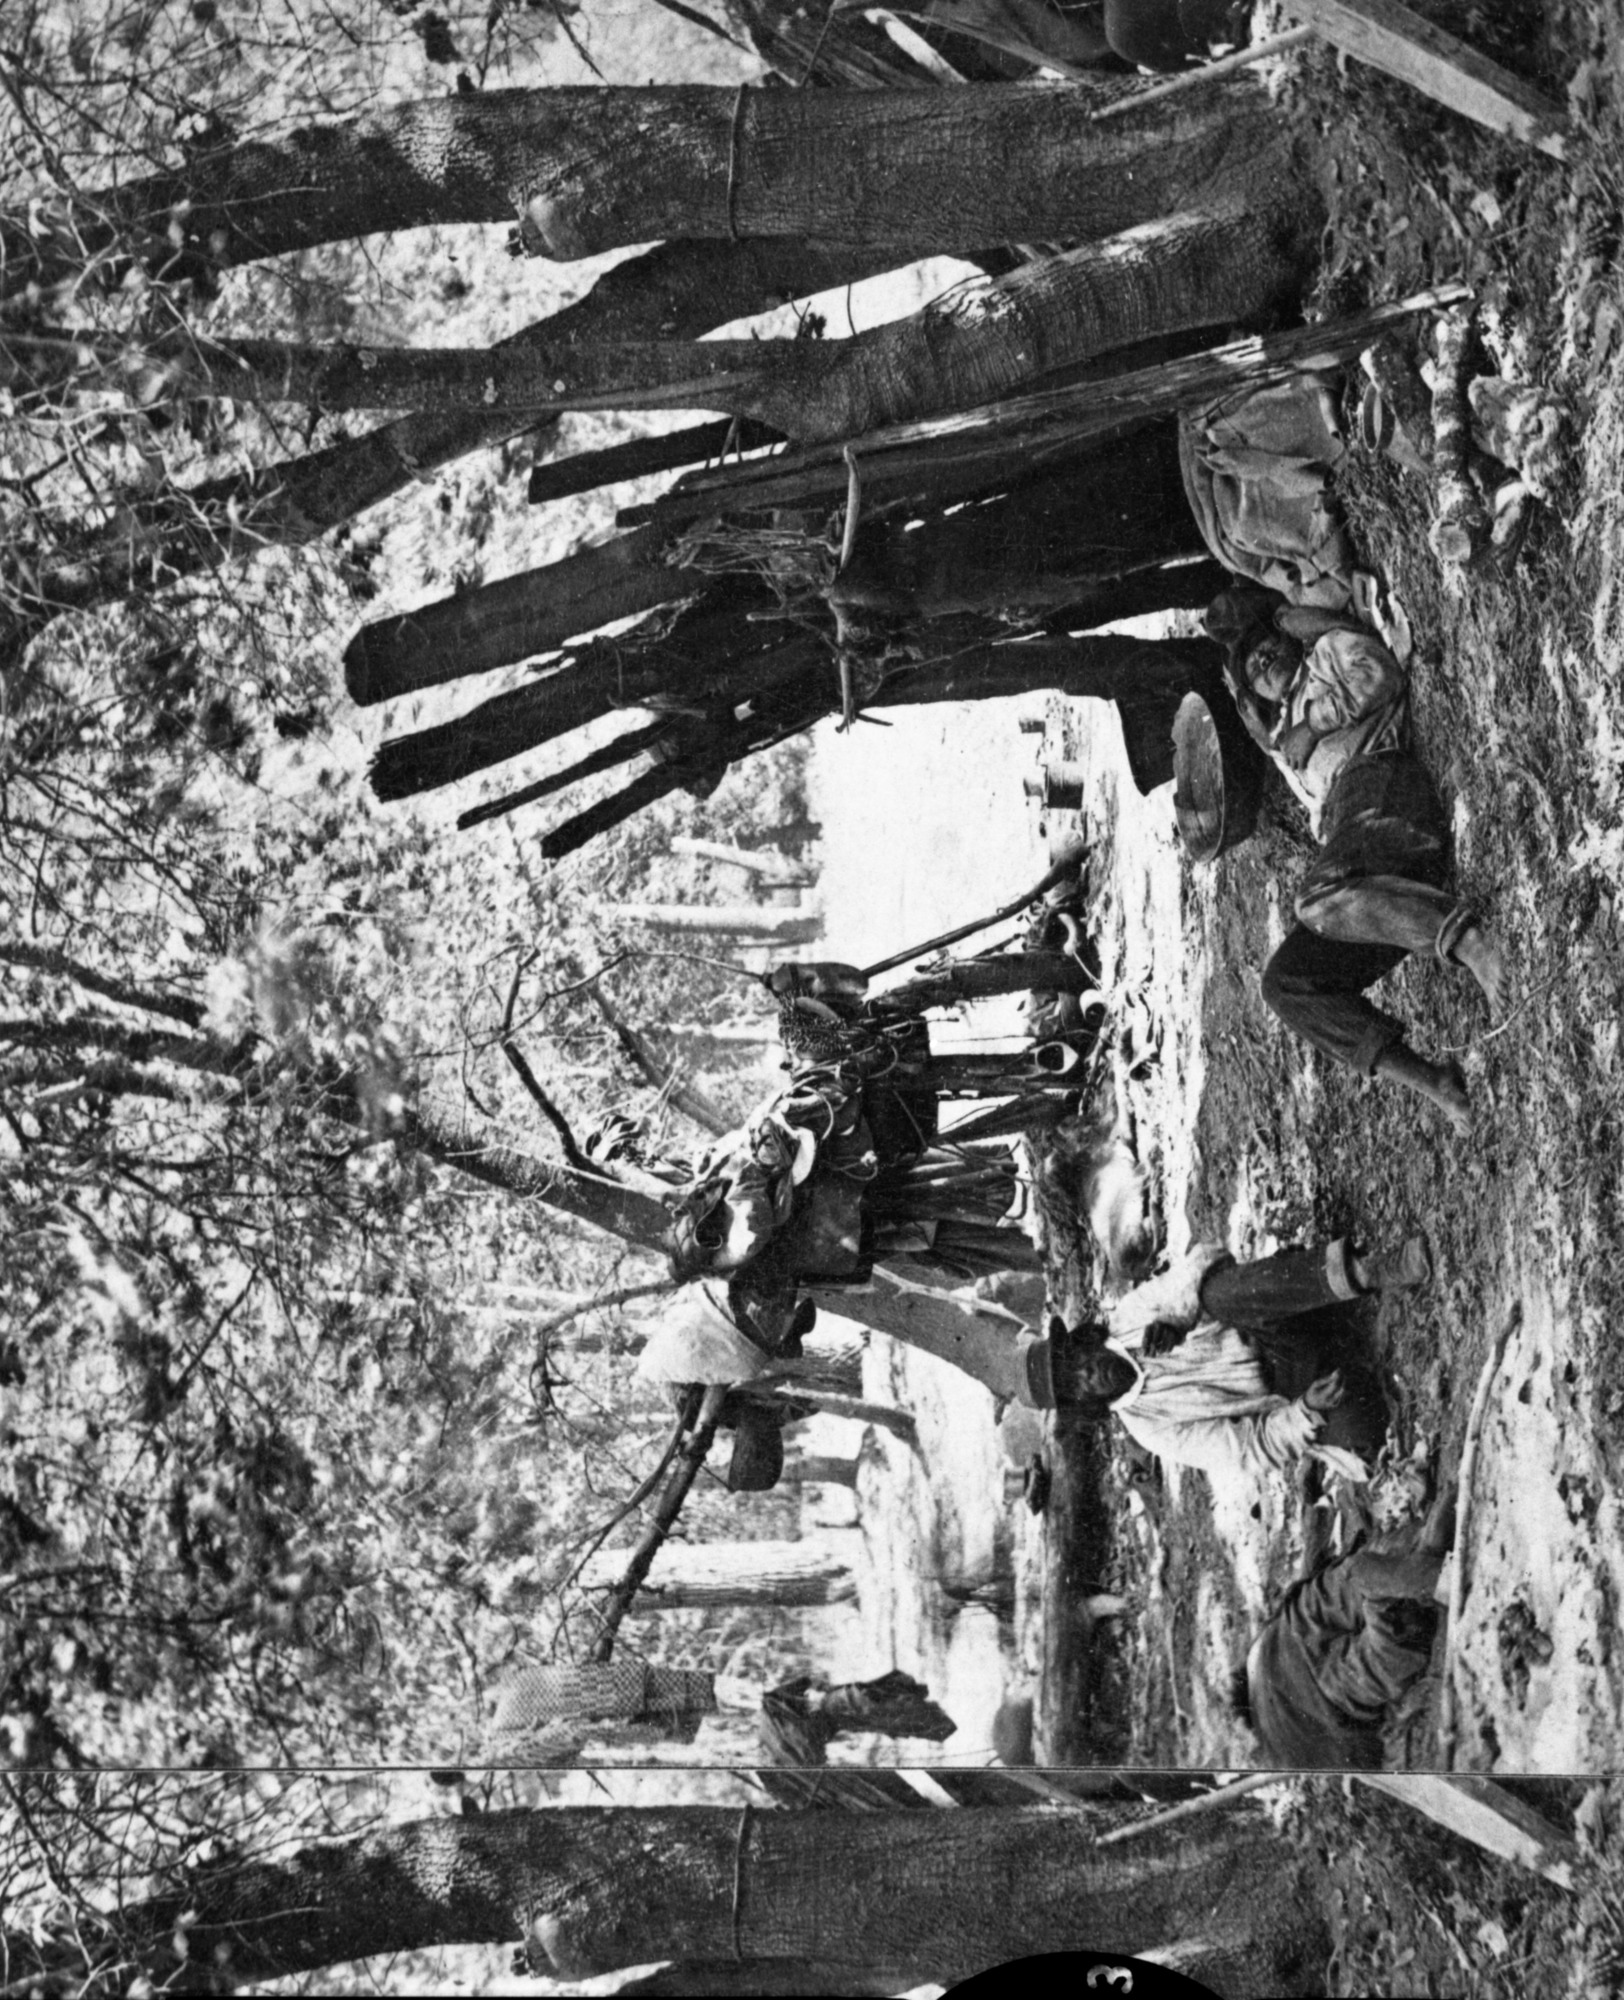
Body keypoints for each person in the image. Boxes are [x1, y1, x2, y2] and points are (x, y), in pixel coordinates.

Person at [1210, 587, 1510, 1133]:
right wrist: (1271, 728)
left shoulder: (1325, 658)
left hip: (1385, 787)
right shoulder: (1283, 737)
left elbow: (1380, 675)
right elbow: (1271, 743)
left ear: (1291, 642)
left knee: (1313, 901)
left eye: (1269, 649)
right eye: (1255, 670)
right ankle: (1432, 1080)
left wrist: (1313, 723)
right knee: (1284, 984)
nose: (1265, 663)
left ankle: (1463, 937)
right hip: (1376, 889)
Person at [1025, 1234, 1432, 1481]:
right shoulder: (1150, 1429)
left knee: (1214, 1293)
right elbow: (1245, 1450)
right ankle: (1358, 1360)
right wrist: (1305, 1412)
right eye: (1079, 1384)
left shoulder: (1129, 1318)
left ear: (1085, 1343)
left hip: (1281, 1317)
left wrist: (1181, 1316)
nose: (1091, 1373)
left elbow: (1205, 1257)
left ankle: (1370, 1272)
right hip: (1297, 1385)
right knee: (1366, 1429)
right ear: (1087, 1403)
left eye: (1079, 1362)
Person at [1230, 1489, 1455, 1767]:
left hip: (1344, 1691)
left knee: (1386, 1655)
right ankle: (1421, 1568)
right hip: (1313, 1646)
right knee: (1363, 1572)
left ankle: (1416, 1576)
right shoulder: (1268, 1653)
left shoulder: (1282, 1737)